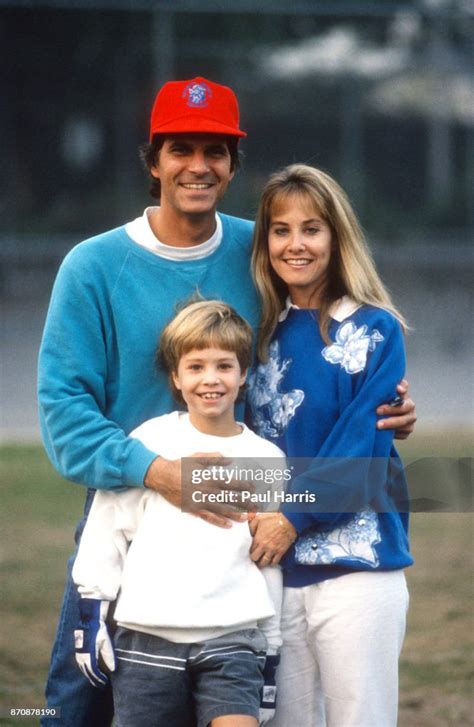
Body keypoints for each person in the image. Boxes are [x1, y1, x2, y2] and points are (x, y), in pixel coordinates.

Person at [37, 77, 416, 726]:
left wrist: (384, 397)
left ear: (234, 164)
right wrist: (165, 474)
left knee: (238, 704)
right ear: (152, 161)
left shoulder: (263, 248)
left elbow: (328, 346)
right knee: (80, 705)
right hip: (133, 516)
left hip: (246, 524)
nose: (198, 165)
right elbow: (66, 419)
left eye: (216, 150)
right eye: (180, 148)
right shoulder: (92, 266)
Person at [247, 164, 414, 727]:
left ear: (336, 236)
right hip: (269, 571)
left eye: (312, 229)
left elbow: (360, 447)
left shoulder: (374, 330)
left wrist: (292, 520)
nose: (295, 244)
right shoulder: (253, 334)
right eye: (280, 229)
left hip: (356, 569)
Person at [72, 300, 286, 727]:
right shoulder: (150, 442)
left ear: (243, 374)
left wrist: (272, 652)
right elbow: (106, 530)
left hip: (233, 638)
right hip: (148, 640)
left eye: (225, 366)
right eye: (196, 366)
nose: (211, 379)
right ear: (176, 376)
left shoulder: (267, 459)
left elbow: (267, 560)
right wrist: (91, 614)